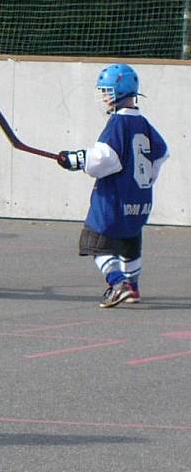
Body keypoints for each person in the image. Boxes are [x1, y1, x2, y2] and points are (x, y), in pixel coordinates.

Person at [56, 63, 168, 308]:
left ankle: (117, 284)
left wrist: (76, 159)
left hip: (113, 200)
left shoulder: (118, 123)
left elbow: (104, 158)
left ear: (120, 91)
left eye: (107, 90)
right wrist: (148, 178)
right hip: (139, 201)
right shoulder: (144, 124)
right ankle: (133, 288)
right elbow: (161, 152)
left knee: (94, 242)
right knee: (129, 243)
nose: (104, 96)